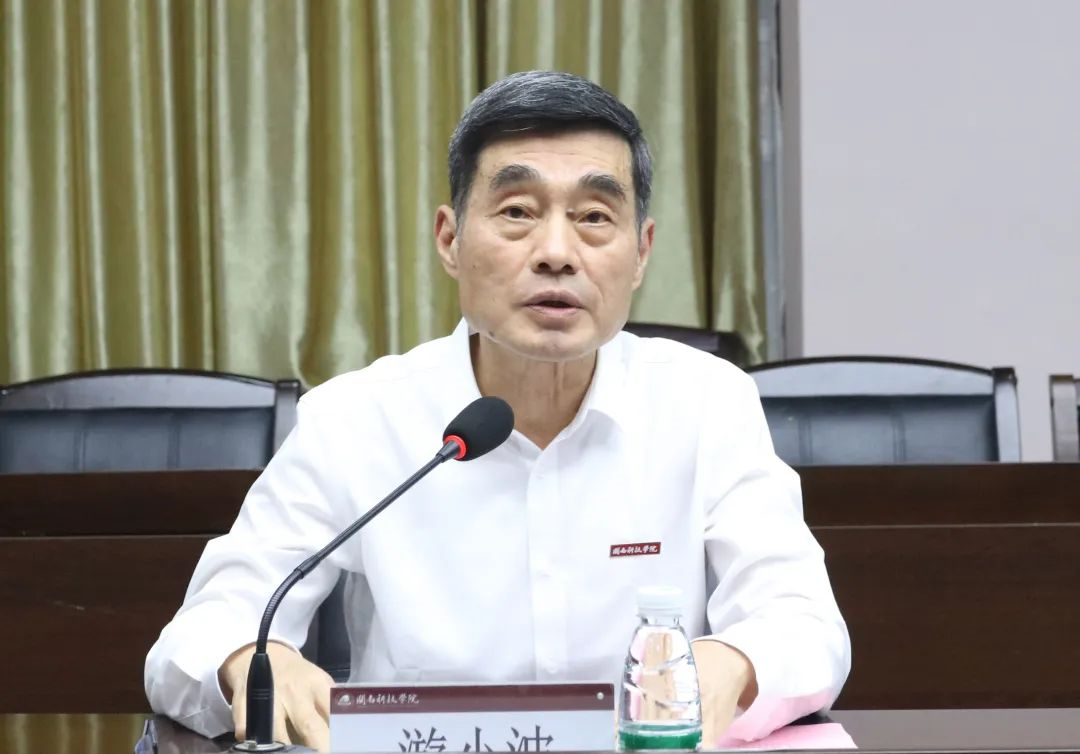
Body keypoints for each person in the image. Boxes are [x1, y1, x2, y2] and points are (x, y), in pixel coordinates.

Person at [145, 70, 850, 752]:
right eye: (517, 212)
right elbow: (198, 636)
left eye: (594, 217)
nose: (556, 253)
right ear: (450, 240)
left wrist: (737, 660)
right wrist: (249, 657)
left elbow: (803, 621)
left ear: (640, 253)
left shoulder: (705, 403)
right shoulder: (357, 418)